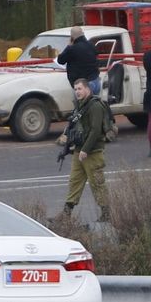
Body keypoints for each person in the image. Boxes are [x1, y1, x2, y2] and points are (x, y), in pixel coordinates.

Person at [62, 78, 110, 222]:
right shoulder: (79, 106)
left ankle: (106, 214)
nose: (77, 91)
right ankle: (66, 215)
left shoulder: (95, 106)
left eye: (80, 89)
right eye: (75, 89)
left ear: (88, 89)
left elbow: (95, 130)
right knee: (74, 182)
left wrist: (86, 150)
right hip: (79, 151)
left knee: (97, 183)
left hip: (92, 152)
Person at [57, 26, 100, 95]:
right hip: (95, 81)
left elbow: (60, 60)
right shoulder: (91, 45)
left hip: (82, 85)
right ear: (83, 34)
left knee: (82, 105)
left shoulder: (72, 49)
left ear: (72, 37)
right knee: (94, 104)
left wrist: (68, 46)